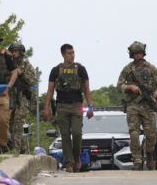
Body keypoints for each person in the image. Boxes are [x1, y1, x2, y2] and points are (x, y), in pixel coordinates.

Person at [44, 44, 94, 173]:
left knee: (77, 133)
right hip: (62, 106)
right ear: (63, 55)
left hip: (77, 105)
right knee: (65, 136)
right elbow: (50, 91)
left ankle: (76, 157)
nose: (72, 55)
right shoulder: (56, 70)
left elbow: (87, 89)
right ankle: (69, 162)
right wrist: (47, 108)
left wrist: (90, 106)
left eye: (73, 52)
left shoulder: (80, 69)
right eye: (69, 53)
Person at [117, 41, 157, 171]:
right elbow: (119, 85)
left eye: (140, 53)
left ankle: (149, 155)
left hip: (148, 106)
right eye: (135, 53)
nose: (138, 55)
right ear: (132, 54)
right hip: (133, 105)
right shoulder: (128, 69)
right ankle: (137, 161)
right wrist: (129, 86)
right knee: (134, 133)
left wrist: (155, 96)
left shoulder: (151, 69)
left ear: (143, 53)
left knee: (151, 135)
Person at [8, 42, 37, 154]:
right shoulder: (9, 65)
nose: (13, 54)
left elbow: (33, 81)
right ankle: (22, 149)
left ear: (20, 52)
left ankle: (15, 149)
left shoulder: (27, 65)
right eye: (12, 51)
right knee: (10, 124)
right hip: (12, 97)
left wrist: (21, 74)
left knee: (18, 122)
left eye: (15, 51)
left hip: (23, 97)